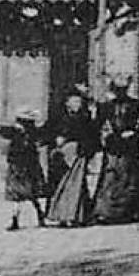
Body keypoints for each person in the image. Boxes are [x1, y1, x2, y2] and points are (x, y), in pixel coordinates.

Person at [92, 77, 139, 224]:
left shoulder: (137, 104)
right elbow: (99, 125)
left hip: (131, 145)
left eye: (123, 89)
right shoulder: (105, 107)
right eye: (117, 89)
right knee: (111, 177)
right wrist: (106, 136)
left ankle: (129, 212)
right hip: (113, 145)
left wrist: (134, 131)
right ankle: (106, 212)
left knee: (130, 177)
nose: (120, 92)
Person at [44, 90, 97, 228]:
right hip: (61, 155)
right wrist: (56, 140)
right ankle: (60, 215)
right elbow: (49, 132)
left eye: (79, 102)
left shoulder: (84, 118)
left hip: (77, 154)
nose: (77, 105)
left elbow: (91, 136)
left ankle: (74, 216)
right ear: (67, 103)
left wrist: (85, 149)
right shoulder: (58, 118)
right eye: (74, 101)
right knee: (61, 185)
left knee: (75, 185)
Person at [0, 109, 49, 231]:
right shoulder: (18, 132)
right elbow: (3, 131)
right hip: (20, 165)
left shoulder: (30, 133)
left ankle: (36, 215)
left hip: (25, 166)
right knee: (23, 194)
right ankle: (22, 218)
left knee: (26, 194)